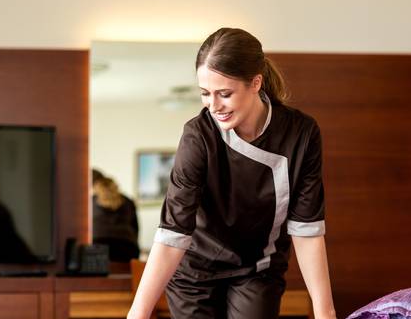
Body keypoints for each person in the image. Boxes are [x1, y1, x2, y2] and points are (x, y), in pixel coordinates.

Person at [128, 28, 336, 319]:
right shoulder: (198, 136)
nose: (214, 106)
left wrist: (325, 312)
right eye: (205, 94)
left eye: (224, 94)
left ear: (255, 83)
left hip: (257, 269)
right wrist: (137, 314)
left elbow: (307, 229)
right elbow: (173, 232)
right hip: (194, 271)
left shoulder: (300, 134)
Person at [91, 169, 140, 262]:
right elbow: (136, 227)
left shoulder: (91, 201)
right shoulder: (128, 201)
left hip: (98, 247)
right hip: (127, 247)